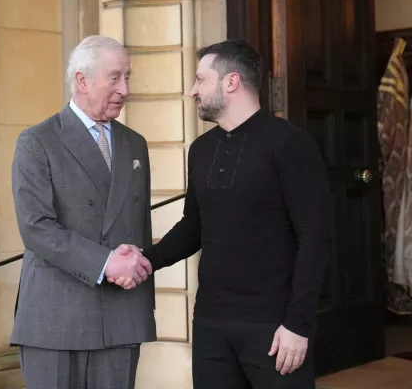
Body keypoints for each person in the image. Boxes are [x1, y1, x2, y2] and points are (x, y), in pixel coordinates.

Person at [109, 39, 331, 388]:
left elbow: (314, 239)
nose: (193, 90)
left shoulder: (290, 144)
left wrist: (298, 325)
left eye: (201, 79)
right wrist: (146, 261)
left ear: (231, 82)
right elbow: (193, 227)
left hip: (274, 328)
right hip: (211, 324)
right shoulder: (201, 150)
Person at [9, 35, 156, 389]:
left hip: (121, 315)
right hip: (55, 318)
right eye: (115, 77)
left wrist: (134, 267)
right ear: (82, 80)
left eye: (128, 77)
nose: (125, 88)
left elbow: (138, 224)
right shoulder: (37, 140)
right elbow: (36, 227)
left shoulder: (134, 143)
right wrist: (107, 263)